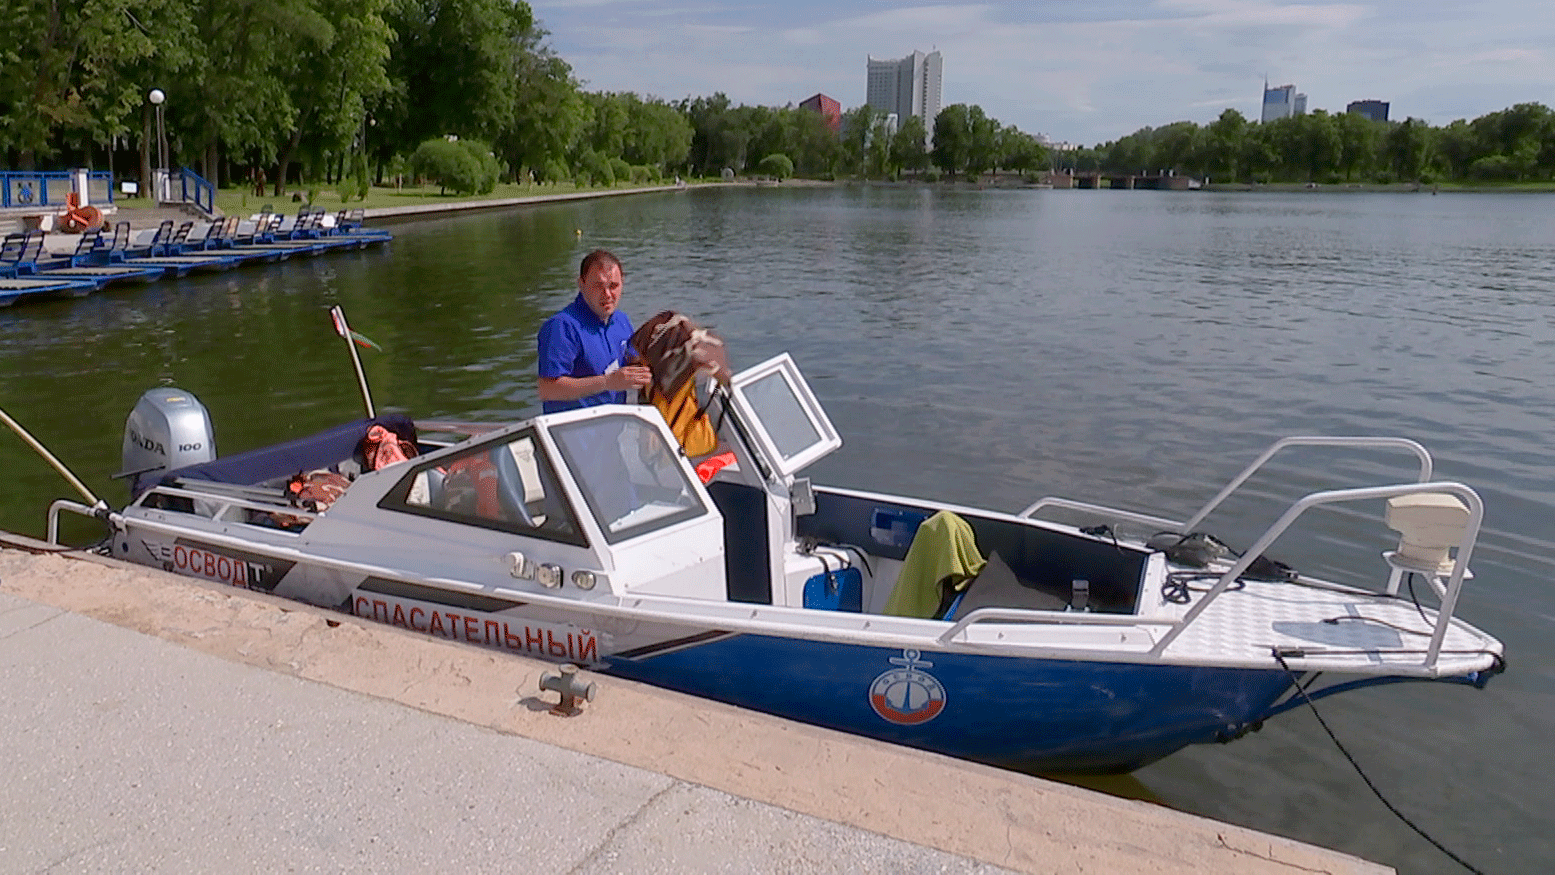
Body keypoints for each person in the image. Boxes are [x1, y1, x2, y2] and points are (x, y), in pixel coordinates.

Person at [537, 249, 651, 414]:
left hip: (614, 427)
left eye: (613, 286)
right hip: (572, 432)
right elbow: (547, 389)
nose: (607, 294)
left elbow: (633, 362)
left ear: (623, 283)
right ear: (581, 284)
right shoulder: (561, 327)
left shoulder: (622, 321)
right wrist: (607, 382)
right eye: (598, 286)